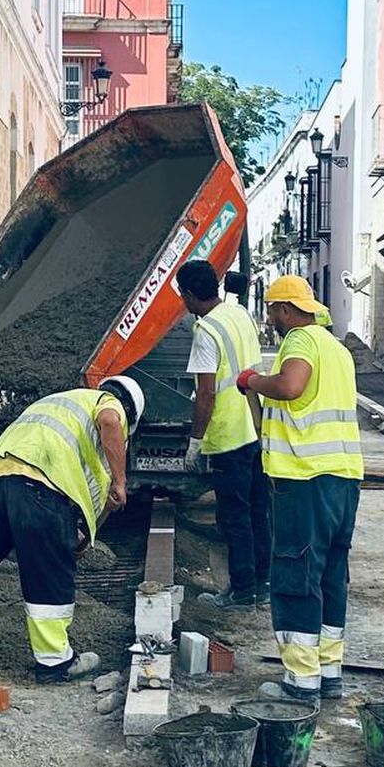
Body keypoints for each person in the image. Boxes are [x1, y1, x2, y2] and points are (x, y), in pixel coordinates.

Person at [0, 377, 145, 684]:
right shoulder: (108, 405)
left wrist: (82, 535)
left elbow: (96, 495)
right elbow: (109, 423)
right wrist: (121, 480)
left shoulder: (61, 402)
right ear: (129, 413)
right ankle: (54, 662)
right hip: (41, 485)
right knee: (48, 574)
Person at [237, 275, 364, 704]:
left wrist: (252, 381)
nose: (271, 318)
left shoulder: (300, 340)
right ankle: (329, 673)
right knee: (331, 577)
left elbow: (290, 387)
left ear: (286, 310)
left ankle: (300, 681)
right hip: (343, 479)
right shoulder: (338, 349)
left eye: (272, 310)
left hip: (304, 479)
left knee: (296, 573)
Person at [175, 259, 272, 609]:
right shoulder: (240, 314)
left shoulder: (206, 330)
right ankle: (263, 581)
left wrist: (195, 443)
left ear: (187, 294)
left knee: (234, 517)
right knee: (258, 510)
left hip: (228, 434)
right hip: (253, 426)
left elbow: (206, 393)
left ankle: (242, 591)